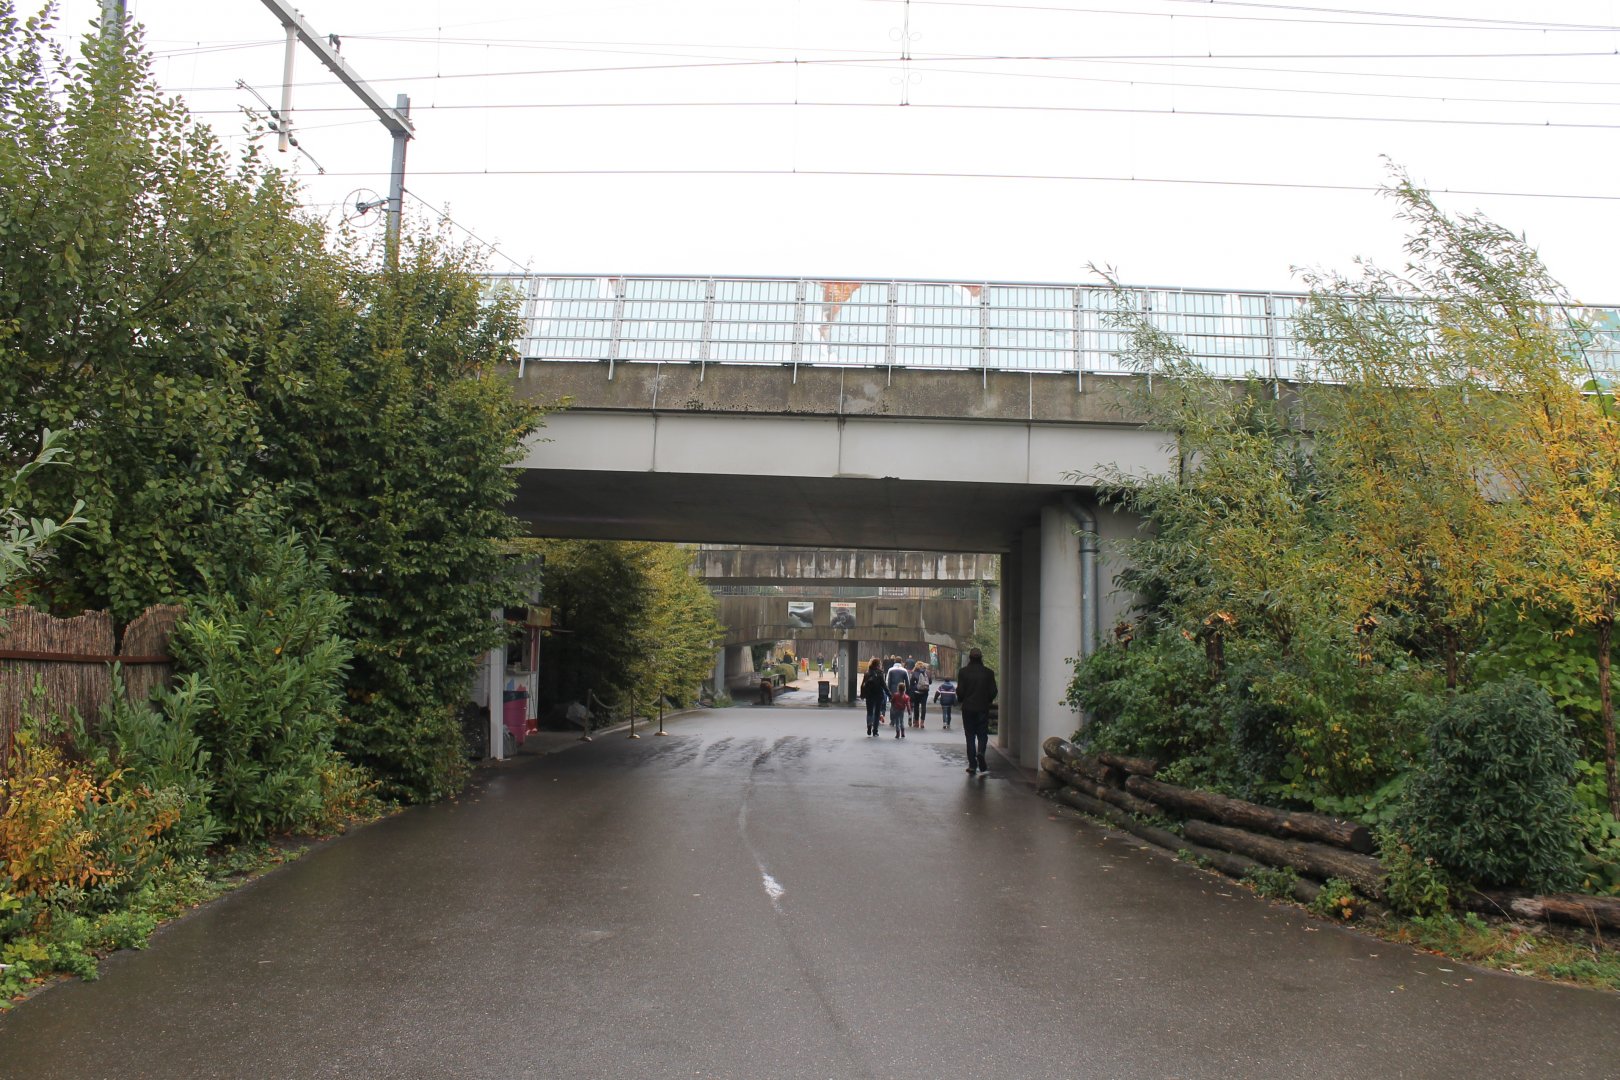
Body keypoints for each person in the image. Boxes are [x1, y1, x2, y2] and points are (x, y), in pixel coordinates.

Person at [955, 647, 997, 775]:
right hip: (982, 708)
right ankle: (981, 753)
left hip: (968, 708)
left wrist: (961, 699)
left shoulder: (963, 672)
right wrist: (987, 700)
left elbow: (960, 691)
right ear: (981, 658)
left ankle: (972, 765)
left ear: (970, 658)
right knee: (982, 734)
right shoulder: (988, 673)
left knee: (970, 736)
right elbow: (993, 691)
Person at [860, 658, 888, 737]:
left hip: (869, 695)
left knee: (869, 712)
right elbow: (884, 685)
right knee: (877, 713)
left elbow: (863, 684)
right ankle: (875, 731)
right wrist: (889, 695)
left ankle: (869, 725)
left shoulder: (867, 673)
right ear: (878, 665)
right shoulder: (880, 674)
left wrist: (862, 695)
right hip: (878, 695)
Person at [908, 663, 932, 727]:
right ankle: (922, 722)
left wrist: (911, 691)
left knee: (916, 706)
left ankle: (916, 722)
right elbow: (930, 682)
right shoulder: (927, 673)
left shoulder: (914, 673)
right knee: (923, 706)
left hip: (916, 692)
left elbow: (911, 683)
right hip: (925, 692)